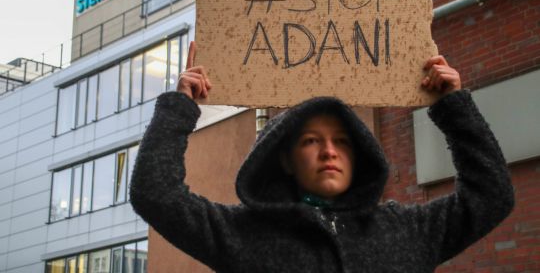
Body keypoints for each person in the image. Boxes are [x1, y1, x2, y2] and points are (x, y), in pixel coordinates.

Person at [130, 42, 514, 273]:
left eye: (342, 141)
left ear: (360, 154)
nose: (329, 151)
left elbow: (491, 195)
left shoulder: (406, 230)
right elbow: (156, 193)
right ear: (285, 160)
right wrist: (180, 107)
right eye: (311, 140)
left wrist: (453, 106)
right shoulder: (242, 233)